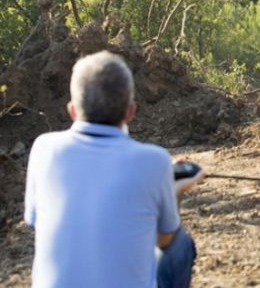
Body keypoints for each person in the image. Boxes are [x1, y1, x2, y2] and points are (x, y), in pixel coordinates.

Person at [24, 51, 205, 288]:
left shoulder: (43, 149)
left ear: (72, 111)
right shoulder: (155, 161)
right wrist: (175, 190)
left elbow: (37, 221)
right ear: (131, 111)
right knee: (180, 244)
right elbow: (165, 239)